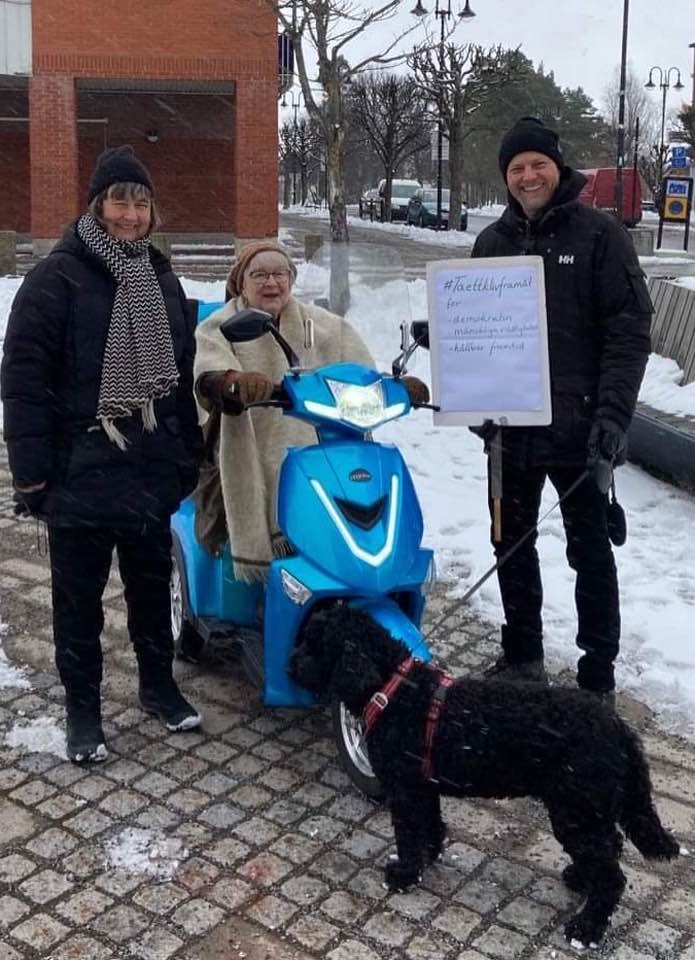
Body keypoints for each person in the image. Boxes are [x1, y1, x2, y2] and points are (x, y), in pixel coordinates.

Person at [1, 145, 204, 763]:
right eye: (119, 200)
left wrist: (186, 456)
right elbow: (24, 381)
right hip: (79, 474)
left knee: (151, 590)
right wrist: (32, 476)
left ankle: (157, 686)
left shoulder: (161, 277)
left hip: (148, 471)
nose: (131, 215)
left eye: (141, 203)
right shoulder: (55, 279)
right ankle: (83, 712)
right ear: (96, 205)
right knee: (77, 604)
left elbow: (178, 377)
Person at [471, 116, 652, 699]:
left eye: (538, 165)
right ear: (506, 176)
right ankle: (522, 655)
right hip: (510, 431)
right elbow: (471, 332)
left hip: (581, 429)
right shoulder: (491, 243)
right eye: (516, 168)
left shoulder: (600, 235)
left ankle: (597, 675)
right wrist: (472, 396)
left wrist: (613, 417)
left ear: (558, 166)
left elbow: (629, 331)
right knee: (509, 544)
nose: (528, 176)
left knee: (590, 552)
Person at [194, 239, 429, 583]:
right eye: (259, 275)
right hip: (251, 437)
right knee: (259, 471)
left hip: (323, 439)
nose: (272, 282)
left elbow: (360, 367)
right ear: (241, 283)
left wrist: (395, 387)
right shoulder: (220, 325)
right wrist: (231, 381)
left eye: (280, 274)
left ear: (291, 279)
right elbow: (207, 368)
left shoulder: (322, 324)